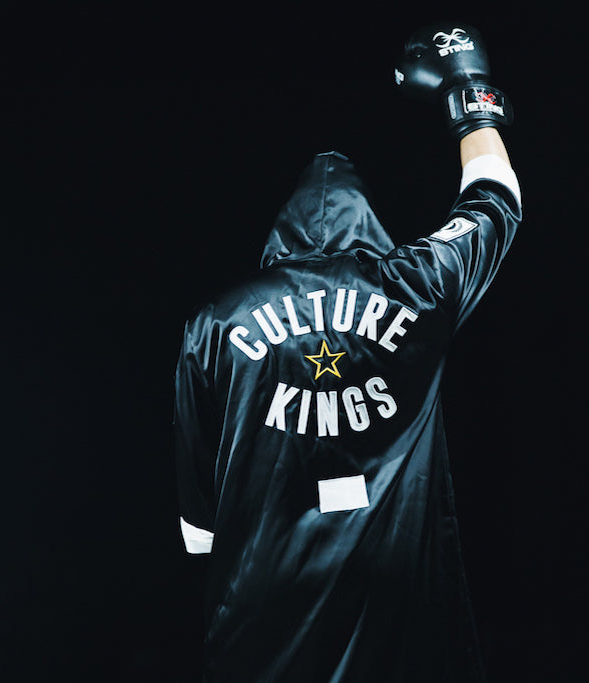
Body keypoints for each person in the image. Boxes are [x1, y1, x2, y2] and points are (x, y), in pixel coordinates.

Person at [173, 22, 522, 682]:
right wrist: (469, 92)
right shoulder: (414, 286)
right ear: (369, 219)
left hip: (262, 624)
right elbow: (495, 203)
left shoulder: (215, 319)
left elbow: (199, 529)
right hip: (397, 614)